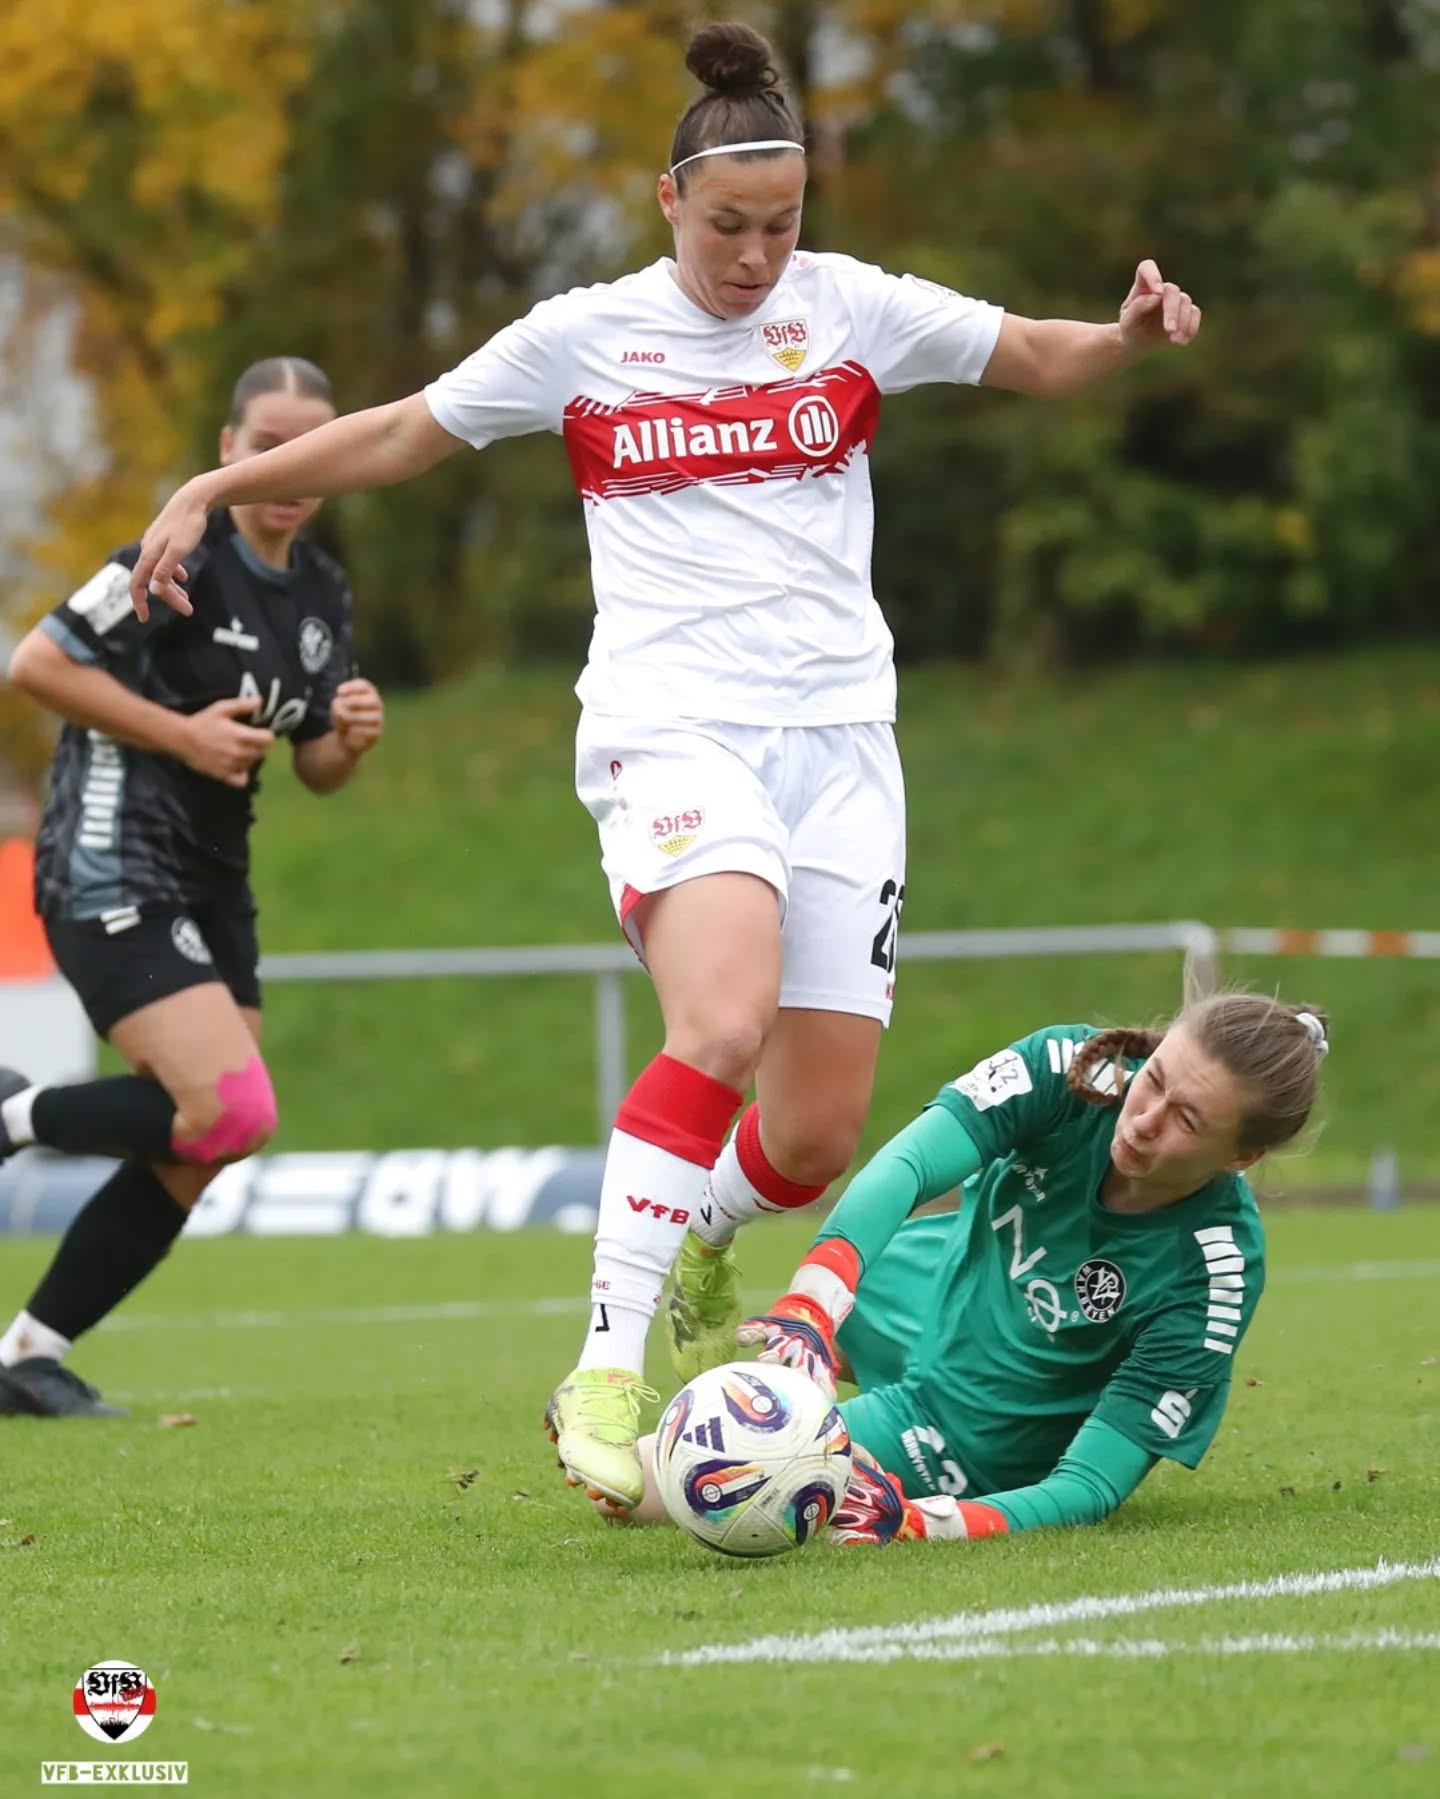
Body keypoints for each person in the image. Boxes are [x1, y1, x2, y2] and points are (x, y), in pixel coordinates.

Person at [124, 21, 1202, 1505]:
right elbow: (391, 437)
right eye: (729, 226)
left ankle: (699, 1234)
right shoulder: (585, 336)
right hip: (670, 719)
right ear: (666, 201)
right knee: (721, 1015)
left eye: (784, 224)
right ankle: (609, 1366)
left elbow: (1031, 353)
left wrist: (1125, 337)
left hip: (841, 739)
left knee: (814, 1131)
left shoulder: (853, 307)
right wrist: (214, 484)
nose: (759, 256)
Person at [0, 356, 385, 1417]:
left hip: (216, 874)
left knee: (215, 1129)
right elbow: (37, 663)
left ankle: (29, 1351)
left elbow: (309, 765)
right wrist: (177, 730)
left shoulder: (320, 590)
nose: (288, 465)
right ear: (228, 449)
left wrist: (346, 739)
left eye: (310, 444)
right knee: (231, 1105)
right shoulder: (174, 555)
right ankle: (16, 1114)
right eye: (267, 442)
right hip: (114, 851)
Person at [607, 994, 1327, 1541]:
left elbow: (1093, 1482)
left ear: (1240, 1158)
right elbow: (911, 1164)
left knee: (649, 1487)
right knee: (624, 1463)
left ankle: (764, 1403)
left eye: (1188, 1120)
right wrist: (814, 1300)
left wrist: (927, 1522)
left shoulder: (1213, 1272)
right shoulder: (1078, 1071)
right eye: (1156, 1078)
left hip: (962, 1416)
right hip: (928, 1281)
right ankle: (769, 1357)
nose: (1144, 1118)